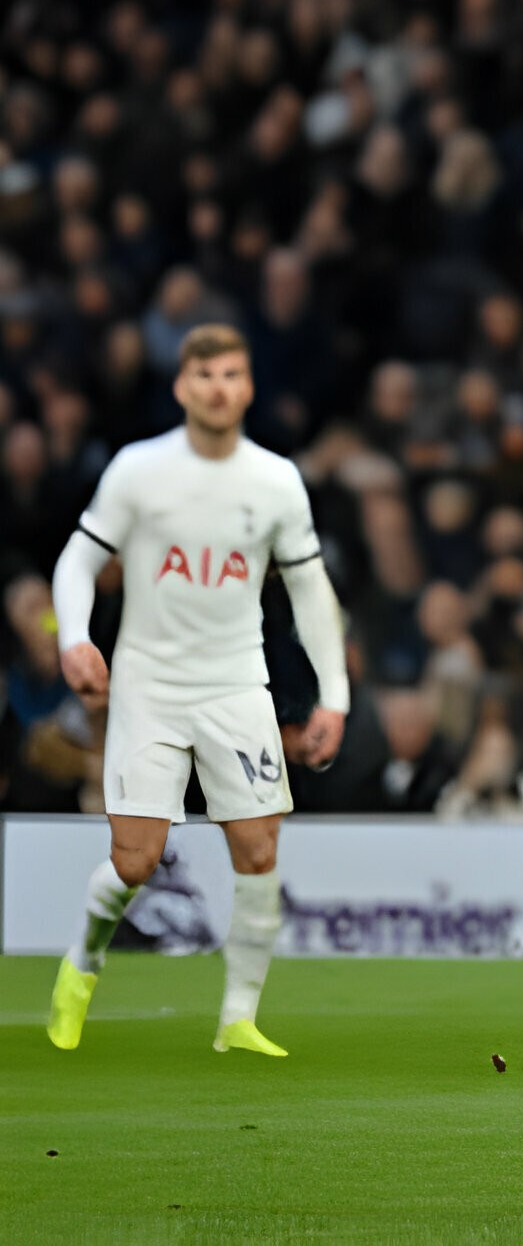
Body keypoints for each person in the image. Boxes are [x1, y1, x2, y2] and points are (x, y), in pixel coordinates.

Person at [43, 326, 351, 1057]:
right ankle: (81, 965)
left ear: (248, 388)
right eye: (205, 374)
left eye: (232, 374)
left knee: (258, 846)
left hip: (238, 684)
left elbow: (311, 593)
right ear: (183, 387)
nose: (219, 387)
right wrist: (73, 638)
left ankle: (238, 1019)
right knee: (135, 861)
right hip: (148, 682)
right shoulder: (138, 470)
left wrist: (333, 695)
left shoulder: (275, 480)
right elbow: (77, 561)